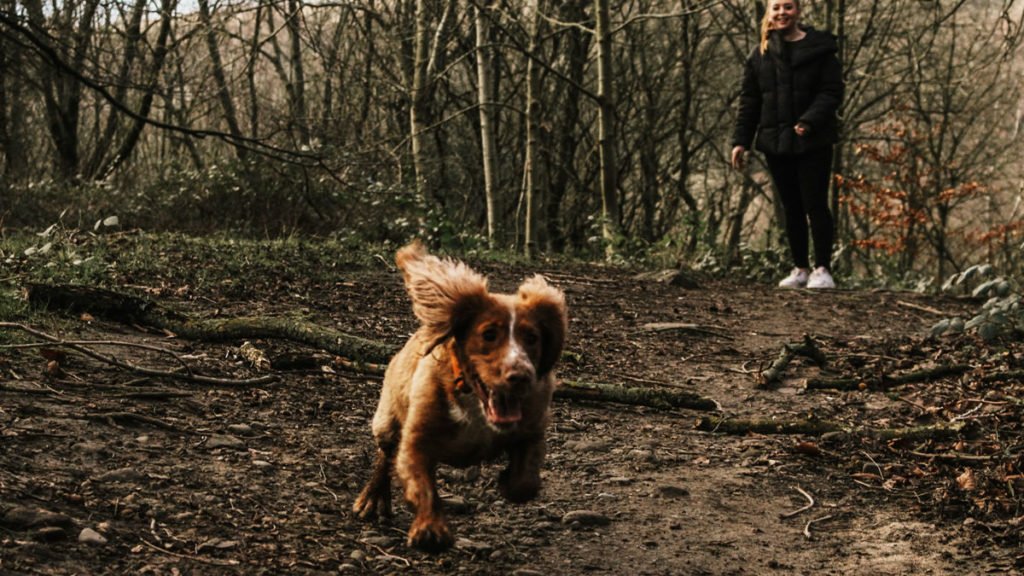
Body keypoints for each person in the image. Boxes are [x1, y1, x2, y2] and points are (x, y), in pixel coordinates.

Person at [730, 0, 843, 289]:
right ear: (769, 13)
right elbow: (749, 102)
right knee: (791, 206)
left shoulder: (821, 50)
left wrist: (809, 121)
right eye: (777, 7)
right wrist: (741, 141)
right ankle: (800, 268)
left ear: (799, 11)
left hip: (813, 140)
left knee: (815, 203)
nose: (782, 13)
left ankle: (822, 269)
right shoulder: (760, 55)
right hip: (775, 143)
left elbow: (831, 92)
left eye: (788, 7)